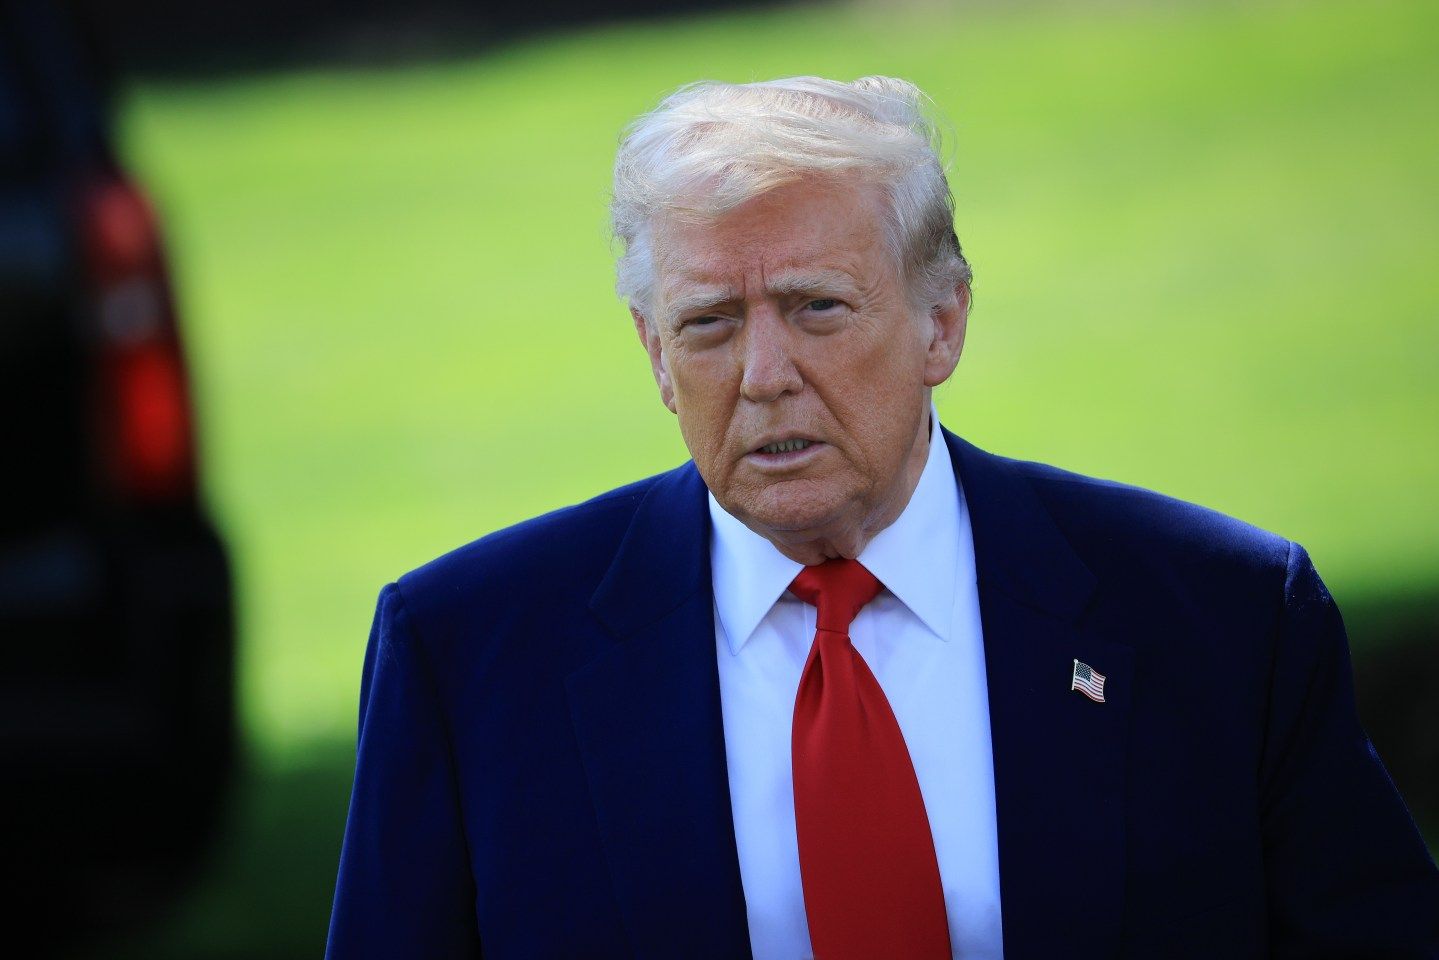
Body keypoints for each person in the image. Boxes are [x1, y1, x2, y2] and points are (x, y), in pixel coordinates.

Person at [325, 76, 1438, 959]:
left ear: (939, 323)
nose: (763, 372)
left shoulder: (1226, 622)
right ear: (655, 356)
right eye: (709, 323)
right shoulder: (468, 657)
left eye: (816, 307)